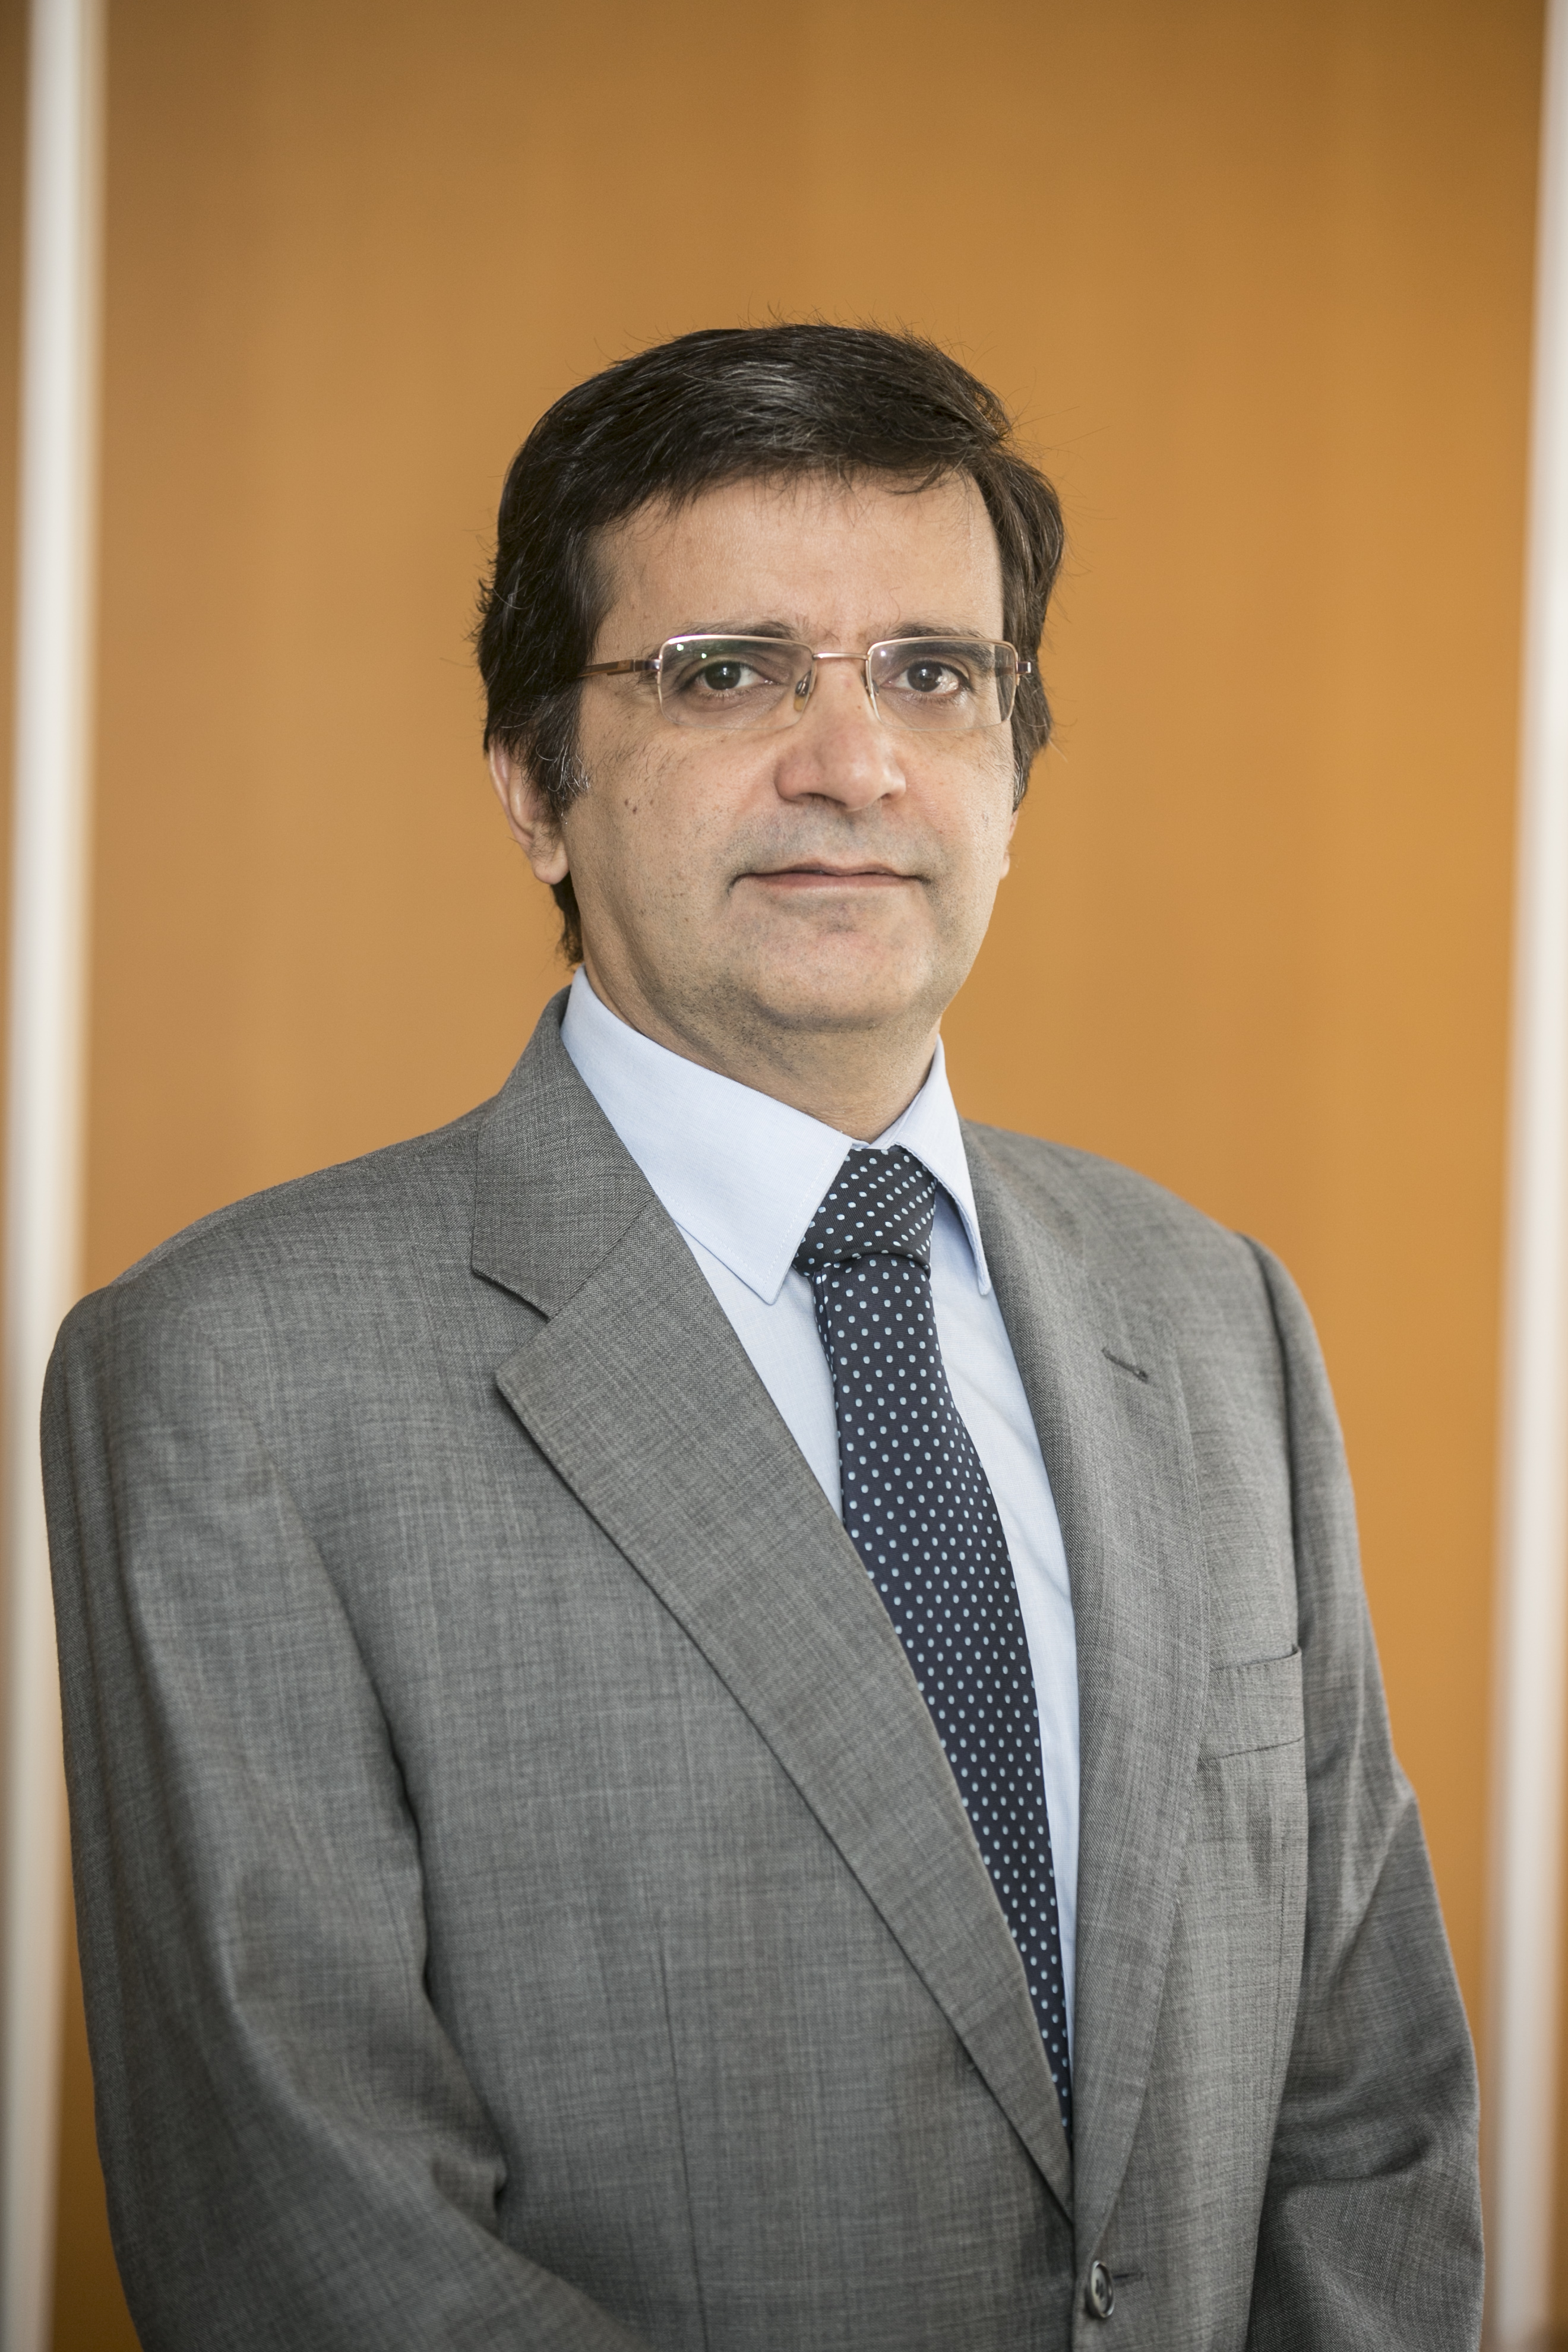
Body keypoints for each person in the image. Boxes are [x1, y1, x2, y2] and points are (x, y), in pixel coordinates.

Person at [45, 324, 1482, 2351]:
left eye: (934, 675)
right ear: (535, 788)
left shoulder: (1215, 1312)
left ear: (1014, 776)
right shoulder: (231, 1377)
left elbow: (1373, 2105)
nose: (855, 764)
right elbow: (312, 2243)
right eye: (727, 674)